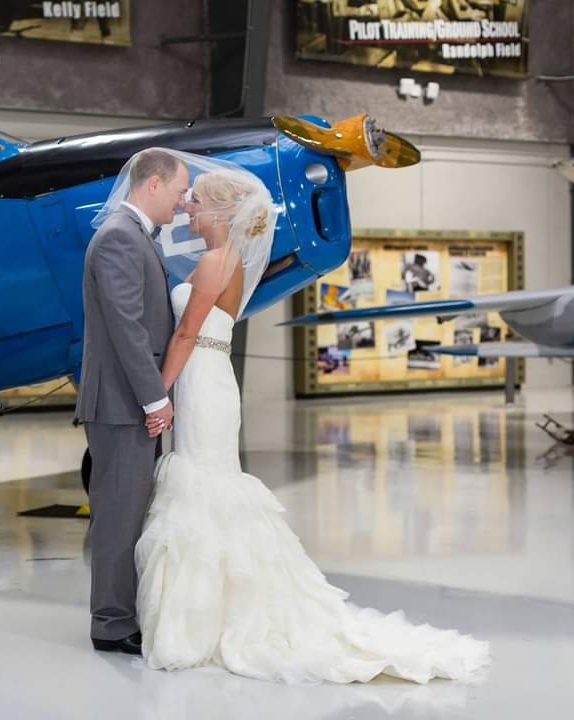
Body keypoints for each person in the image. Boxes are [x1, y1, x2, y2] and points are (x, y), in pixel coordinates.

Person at [133, 166, 491, 683]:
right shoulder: (223, 260)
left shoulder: (216, 261)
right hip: (206, 380)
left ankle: (205, 622)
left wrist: (157, 394)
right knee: (207, 487)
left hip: (201, 381)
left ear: (218, 212)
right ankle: (209, 613)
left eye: (196, 201)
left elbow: (187, 335)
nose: (188, 206)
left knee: (204, 487)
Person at [74, 148, 189, 656]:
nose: (183, 202)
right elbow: (127, 329)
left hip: (126, 403)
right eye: (180, 190)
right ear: (154, 184)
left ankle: (121, 613)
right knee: (119, 516)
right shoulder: (120, 237)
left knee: (129, 512)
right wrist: (153, 399)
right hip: (122, 404)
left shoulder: (131, 235)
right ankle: (112, 624)